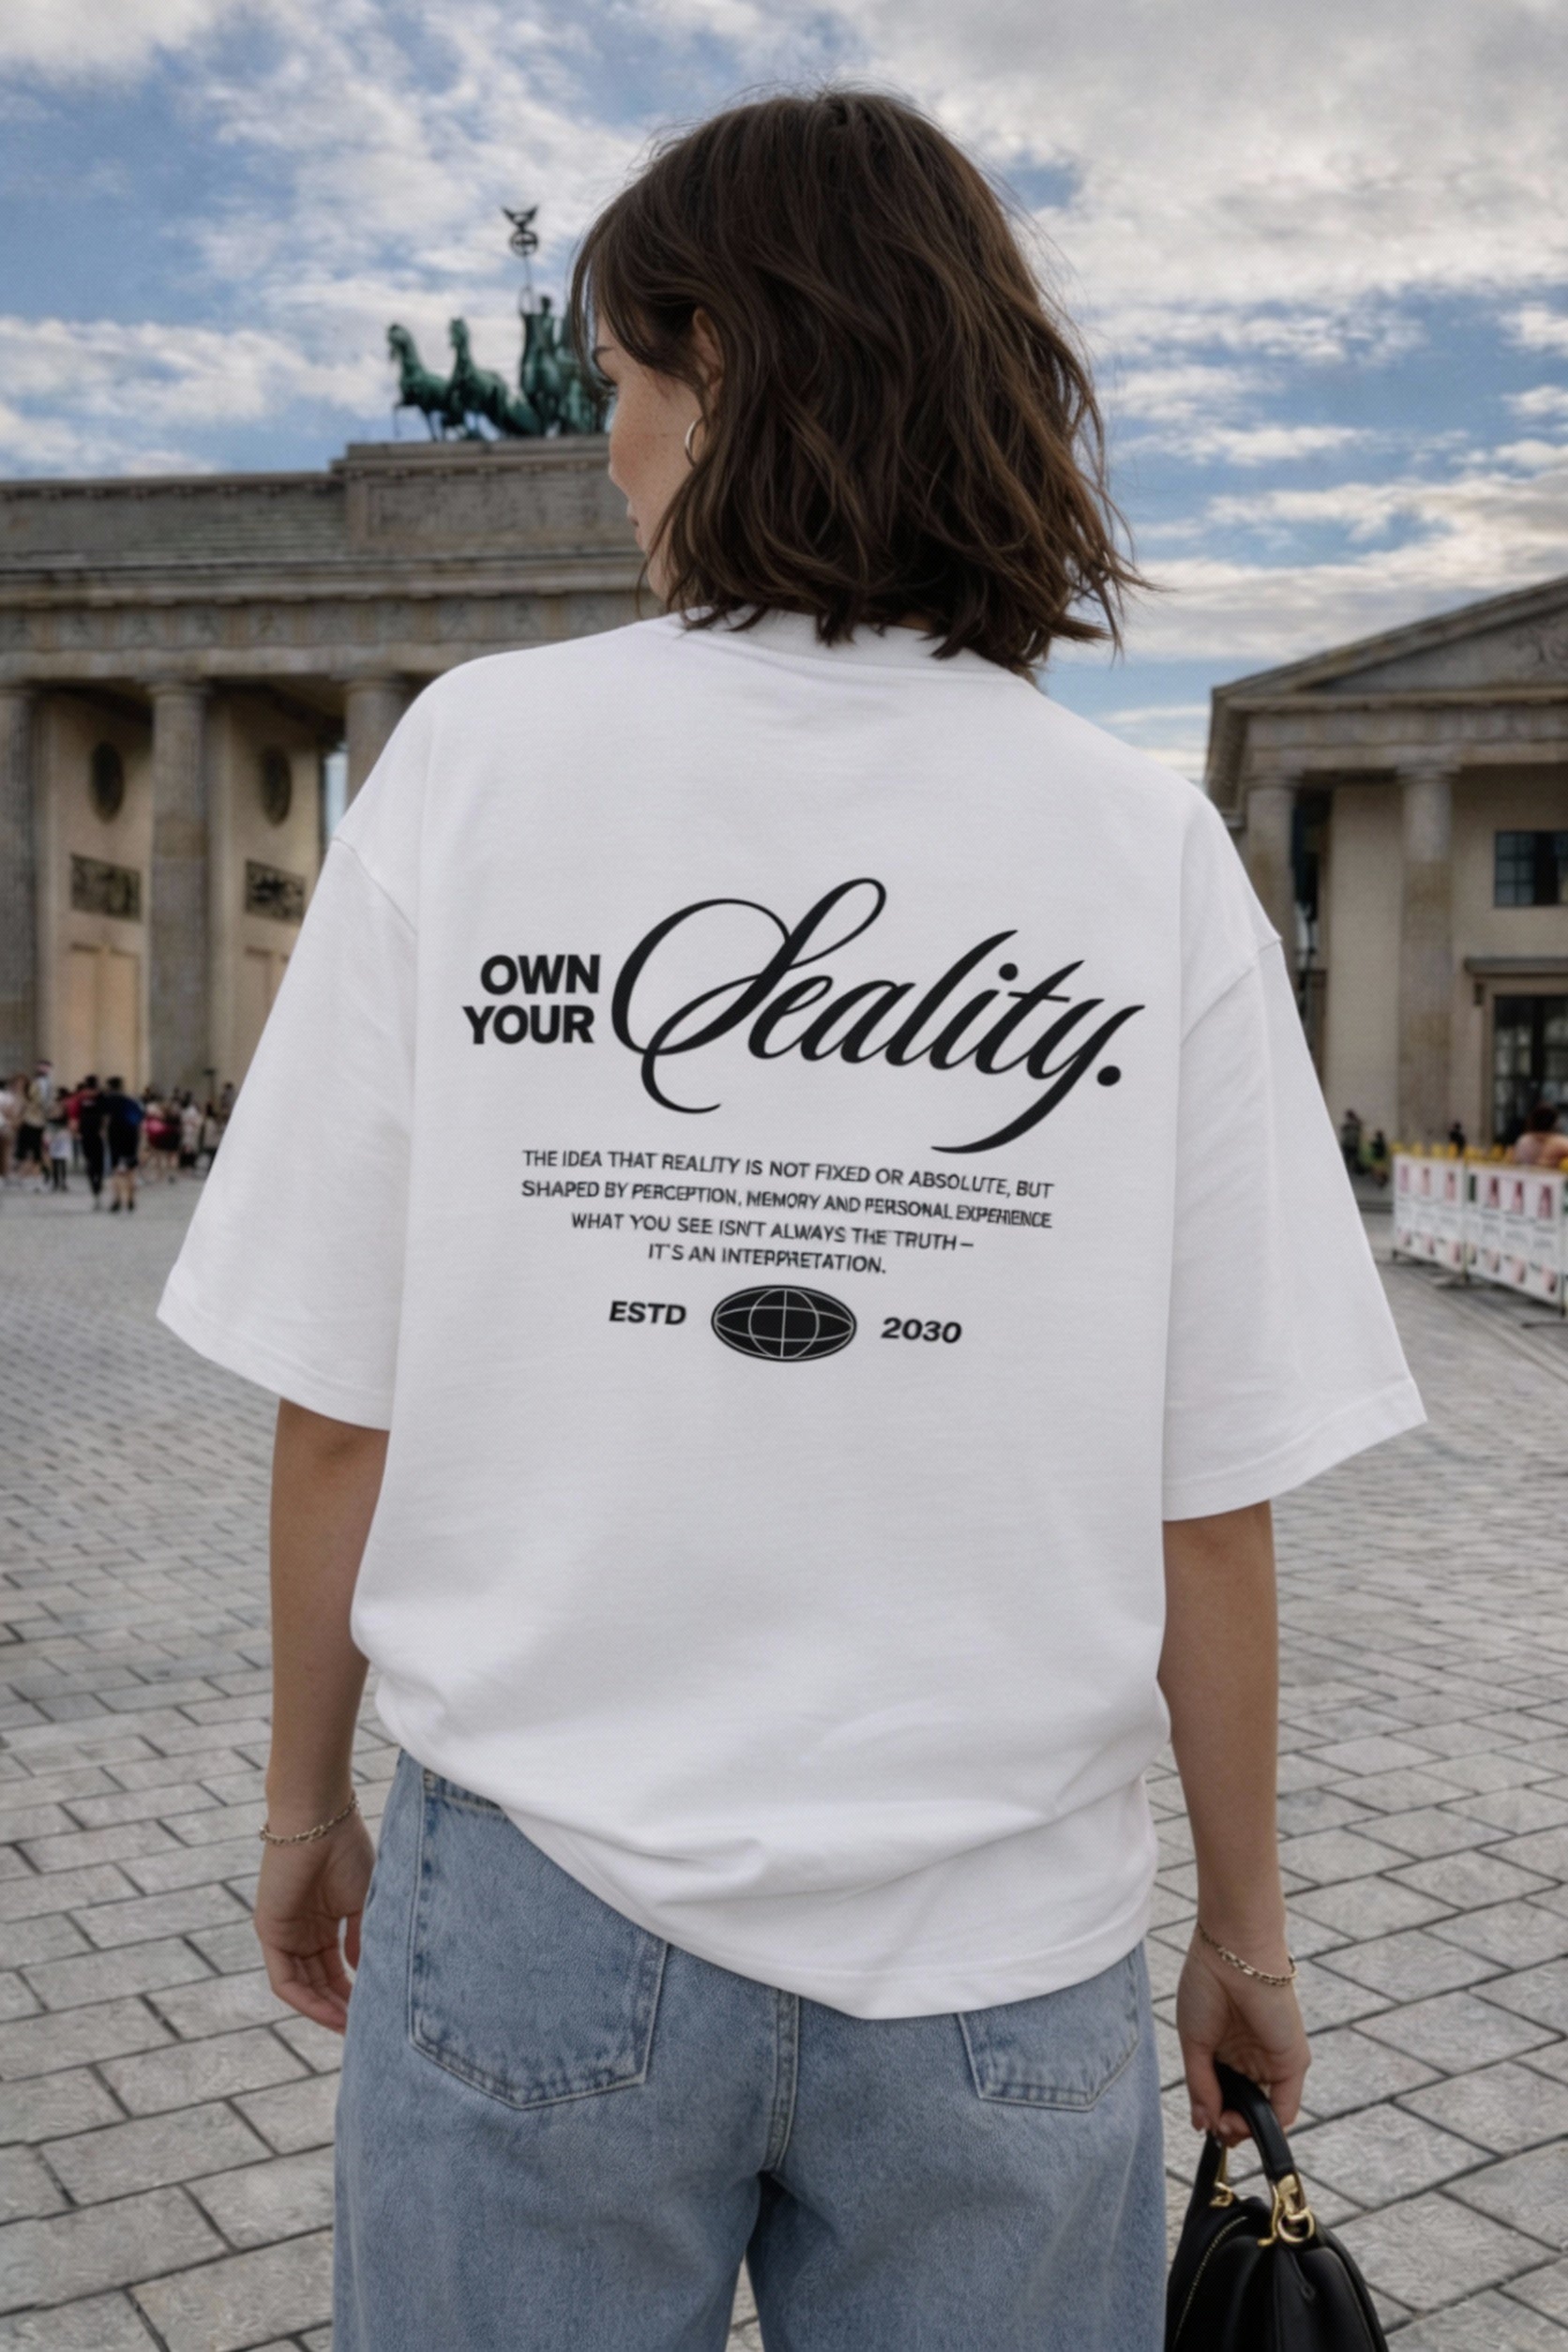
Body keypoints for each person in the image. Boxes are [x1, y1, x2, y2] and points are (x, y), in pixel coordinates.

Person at [157, 92, 1424, 2352]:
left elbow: (339, 1400)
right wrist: (1244, 1928)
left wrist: (298, 1797)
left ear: (726, 373)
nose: (609, 453)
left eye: (626, 391)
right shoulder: (1126, 852)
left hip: (538, 1880)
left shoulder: (470, 764)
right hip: (997, 1942)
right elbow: (1201, 1502)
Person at [99, 1077, 143, 1212]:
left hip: (115, 1135)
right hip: (132, 1135)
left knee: (116, 1169)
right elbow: (140, 1117)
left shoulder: (108, 1100)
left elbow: (105, 1119)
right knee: (131, 1169)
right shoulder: (131, 1100)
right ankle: (131, 1199)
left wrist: (104, 1133)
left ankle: (117, 1200)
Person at [75, 1078, 106, 1209]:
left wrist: (104, 1129)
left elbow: (106, 1115)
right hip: (85, 1134)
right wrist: (76, 1131)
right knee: (89, 1162)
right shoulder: (81, 1099)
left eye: (92, 1089)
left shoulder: (102, 1098)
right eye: (88, 1089)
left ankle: (99, 1182)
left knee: (99, 1161)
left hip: (98, 1135)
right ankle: (94, 1186)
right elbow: (76, 1115)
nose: (89, 1092)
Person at [1512, 1101, 1568, 1168]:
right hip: (1551, 1177)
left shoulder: (1523, 1141)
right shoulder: (1561, 1143)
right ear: (1554, 1122)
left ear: (1532, 1121)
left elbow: (1516, 1161)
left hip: (1528, 1176)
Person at [45, 1109, 71, 1193]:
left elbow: (68, 1130)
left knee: (62, 1163)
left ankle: (63, 1182)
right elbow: (47, 1132)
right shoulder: (49, 1121)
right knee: (55, 1163)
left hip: (62, 1143)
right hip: (53, 1144)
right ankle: (55, 1182)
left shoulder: (65, 1120)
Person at [1338, 1107, 1364, 1176]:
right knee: (1348, 1158)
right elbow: (1343, 1129)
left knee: (1352, 1158)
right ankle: (1347, 1170)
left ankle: (1354, 1170)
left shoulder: (1356, 1122)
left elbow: (1359, 1125)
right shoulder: (1348, 1123)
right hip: (1349, 1143)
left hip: (1352, 1143)